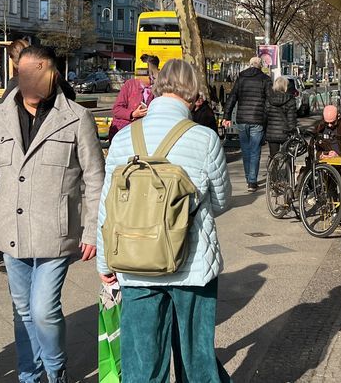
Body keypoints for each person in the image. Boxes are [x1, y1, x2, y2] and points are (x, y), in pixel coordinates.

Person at [0, 45, 105, 383]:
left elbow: (94, 178)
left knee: (44, 311)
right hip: (11, 229)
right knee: (23, 312)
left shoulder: (76, 117)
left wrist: (91, 231)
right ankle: (29, 375)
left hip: (56, 231)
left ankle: (55, 369)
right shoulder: (0, 116)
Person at [98, 59, 232, 382]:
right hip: (193, 268)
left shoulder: (123, 140)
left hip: (136, 264)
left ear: (157, 89)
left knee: (143, 365)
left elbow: (107, 209)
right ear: (194, 94)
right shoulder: (205, 139)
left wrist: (105, 264)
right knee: (196, 360)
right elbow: (223, 201)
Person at [223, 56, 271, 192]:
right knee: (255, 151)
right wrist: (266, 117)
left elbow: (232, 97)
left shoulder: (241, 78)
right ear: (260, 65)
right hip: (257, 120)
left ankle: (248, 178)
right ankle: (252, 182)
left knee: (246, 151)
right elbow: (269, 101)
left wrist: (226, 116)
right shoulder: (265, 79)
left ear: (250, 65)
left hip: (242, 119)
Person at [110, 54, 160, 140]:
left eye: (151, 73)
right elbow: (117, 109)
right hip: (128, 134)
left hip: (148, 134)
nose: (148, 77)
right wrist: (132, 114)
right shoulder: (129, 85)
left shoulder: (160, 89)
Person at [265, 76, 298, 158]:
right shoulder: (290, 100)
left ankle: (273, 170)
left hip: (272, 133)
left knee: (273, 157)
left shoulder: (269, 100)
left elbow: (265, 116)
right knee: (288, 156)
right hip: (286, 133)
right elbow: (291, 119)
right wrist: (293, 132)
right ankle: (288, 170)